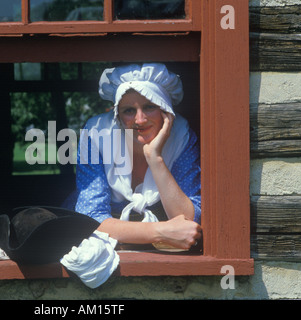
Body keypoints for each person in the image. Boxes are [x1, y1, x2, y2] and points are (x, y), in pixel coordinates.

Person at [63, 63, 202, 250]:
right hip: (94, 239)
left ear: (166, 110)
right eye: (128, 110)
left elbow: (189, 221)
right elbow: (90, 219)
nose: (140, 120)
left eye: (150, 106)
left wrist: (155, 158)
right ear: (117, 116)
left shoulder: (182, 136)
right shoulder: (96, 133)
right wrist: (160, 231)